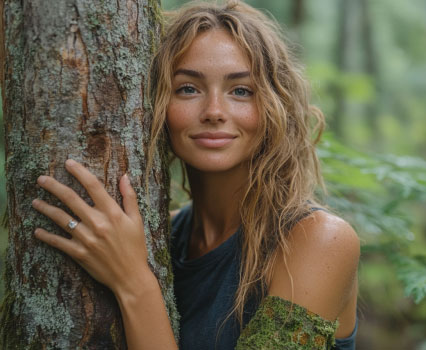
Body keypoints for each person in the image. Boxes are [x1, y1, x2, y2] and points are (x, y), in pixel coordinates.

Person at [31, 1, 360, 349]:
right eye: (188, 88)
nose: (214, 112)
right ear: (154, 104)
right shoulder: (161, 236)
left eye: (241, 91)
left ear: (275, 106)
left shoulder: (319, 240)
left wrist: (133, 282)